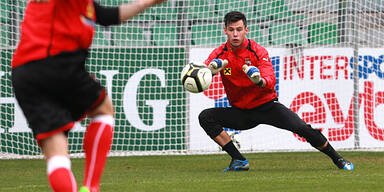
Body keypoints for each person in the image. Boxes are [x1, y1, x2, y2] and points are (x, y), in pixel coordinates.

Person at [11, 0, 166, 191]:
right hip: (55, 62)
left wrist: (147, 3)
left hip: (24, 74)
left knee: (56, 154)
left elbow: (109, 16)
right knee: (103, 110)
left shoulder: (85, 5)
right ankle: (91, 186)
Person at [198, 11, 354, 172]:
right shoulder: (219, 54)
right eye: (231, 30)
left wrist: (259, 80)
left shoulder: (258, 51)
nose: (235, 34)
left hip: (267, 107)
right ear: (225, 30)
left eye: (239, 29)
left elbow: (270, 79)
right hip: (241, 113)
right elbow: (201, 78)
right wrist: (210, 71)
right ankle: (238, 160)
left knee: (302, 128)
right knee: (205, 117)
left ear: (246, 30)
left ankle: (338, 159)